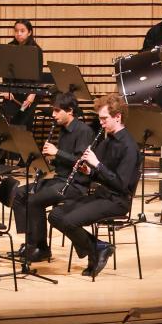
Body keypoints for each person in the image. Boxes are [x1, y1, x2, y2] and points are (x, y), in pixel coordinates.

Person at [49, 93, 141, 278]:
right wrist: (89, 171)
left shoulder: (129, 147)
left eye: (104, 118)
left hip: (118, 200)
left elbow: (121, 185)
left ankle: (95, 250)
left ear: (117, 117)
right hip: (102, 194)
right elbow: (100, 175)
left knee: (69, 221)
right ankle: (98, 247)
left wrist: (97, 164)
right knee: (55, 214)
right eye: (99, 119)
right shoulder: (107, 141)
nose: (101, 123)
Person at [11, 91, 95, 262]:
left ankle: (41, 248)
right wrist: (46, 161)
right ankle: (30, 242)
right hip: (60, 179)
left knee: (34, 200)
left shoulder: (83, 131)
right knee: (19, 194)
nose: (53, 115)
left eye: (57, 111)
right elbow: (62, 162)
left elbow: (82, 164)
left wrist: (58, 153)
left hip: (75, 185)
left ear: (70, 110)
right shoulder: (63, 129)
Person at [0, 19, 43, 127]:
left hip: (29, 93)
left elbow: (38, 75)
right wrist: (6, 90)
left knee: (25, 126)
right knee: (8, 124)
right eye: (16, 31)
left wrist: (32, 94)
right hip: (11, 92)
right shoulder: (10, 46)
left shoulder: (36, 50)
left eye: (22, 31)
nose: (18, 33)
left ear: (29, 32)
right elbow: (5, 72)